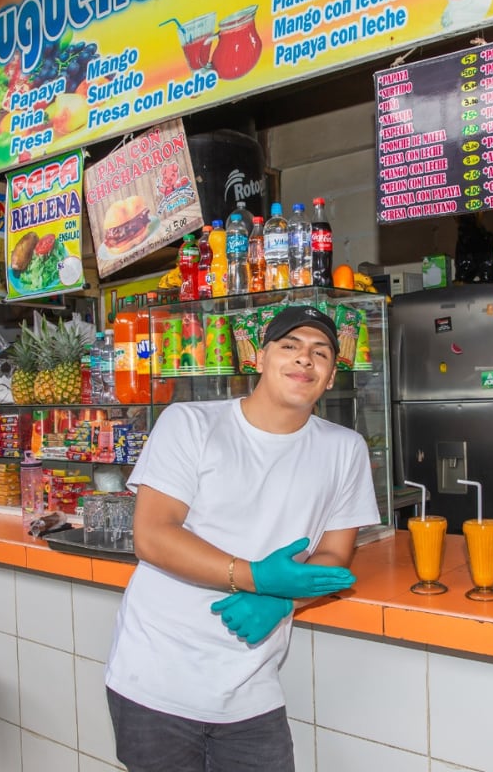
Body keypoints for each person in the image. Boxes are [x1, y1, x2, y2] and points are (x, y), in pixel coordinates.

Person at [106, 305, 380, 772]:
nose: (304, 360)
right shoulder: (190, 423)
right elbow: (153, 535)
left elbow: (335, 554)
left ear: (332, 375)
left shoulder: (344, 448)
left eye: (320, 352)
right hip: (155, 678)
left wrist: (284, 602)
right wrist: (254, 577)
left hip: (254, 687)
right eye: (289, 346)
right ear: (258, 357)